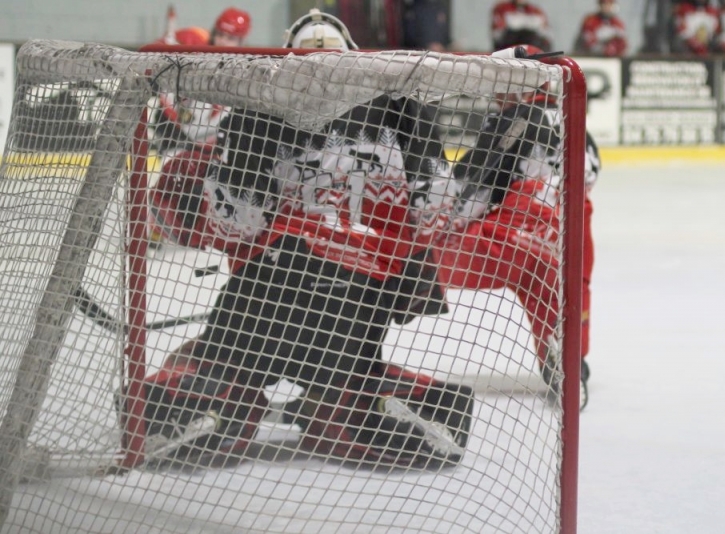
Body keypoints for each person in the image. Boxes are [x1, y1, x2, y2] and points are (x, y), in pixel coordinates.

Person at [132, 9, 473, 470]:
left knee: (214, 360)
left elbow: (240, 221)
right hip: (363, 298)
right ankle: (380, 404)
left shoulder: (261, 106)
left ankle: (213, 405)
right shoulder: (403, 109)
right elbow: (438, 210)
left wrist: (197, 197)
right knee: (348, 380)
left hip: (274, 281)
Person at [432, 45, 599, 411]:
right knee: (562, 299)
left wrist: (437, 231)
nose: (494, 91)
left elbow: (477, 185)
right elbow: (591, 173)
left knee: (427, 265)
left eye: (499, 82)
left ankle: (357, 353)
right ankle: (573, 369)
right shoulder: (571, 113)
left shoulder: (514, 117)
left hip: (520, 227)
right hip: (570, 227)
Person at [148, 7, 252, 154]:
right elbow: (154, 49)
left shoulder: (246, 68)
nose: (222, 42)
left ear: (242, 41)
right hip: (175, 126)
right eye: (220, 35)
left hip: (211, 139)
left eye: (230, 38)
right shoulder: (195, 40)